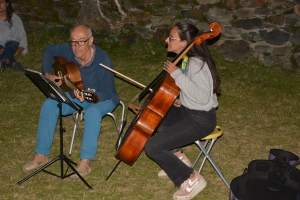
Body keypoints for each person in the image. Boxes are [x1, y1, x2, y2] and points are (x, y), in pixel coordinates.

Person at [22, 24, 120, 180]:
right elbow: (49, 50)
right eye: (73, 41)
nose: (76, 46)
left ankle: (85, 162)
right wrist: (48, 73)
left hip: (102, 97)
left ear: (91, 40)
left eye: (81, 41)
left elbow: (107, 91)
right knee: (50, 104)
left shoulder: (103, 60)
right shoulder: (69, 50)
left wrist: (88, 95)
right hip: (76, 92)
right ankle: (41, 154)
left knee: (93, 112)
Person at [144, 22, 221, 200]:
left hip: (200, 121)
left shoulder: (196, 63)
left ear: (184, 42)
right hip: (189, 112)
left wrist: (177, 75)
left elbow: (203, 97)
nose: (166, 40)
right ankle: (178, 157)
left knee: (152, 147)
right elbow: (195, 91)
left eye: (171, 38)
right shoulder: (188, 58)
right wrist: (183, 100)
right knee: (156, 115)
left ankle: (191, 178)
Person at [0, 0, 28, 72]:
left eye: (1, 2)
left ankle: (3, 62)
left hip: (11, 43)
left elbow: (22, 35)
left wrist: (20, 48)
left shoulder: (15, 18)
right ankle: (13, 64)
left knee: (11, 45)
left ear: (7, 4)